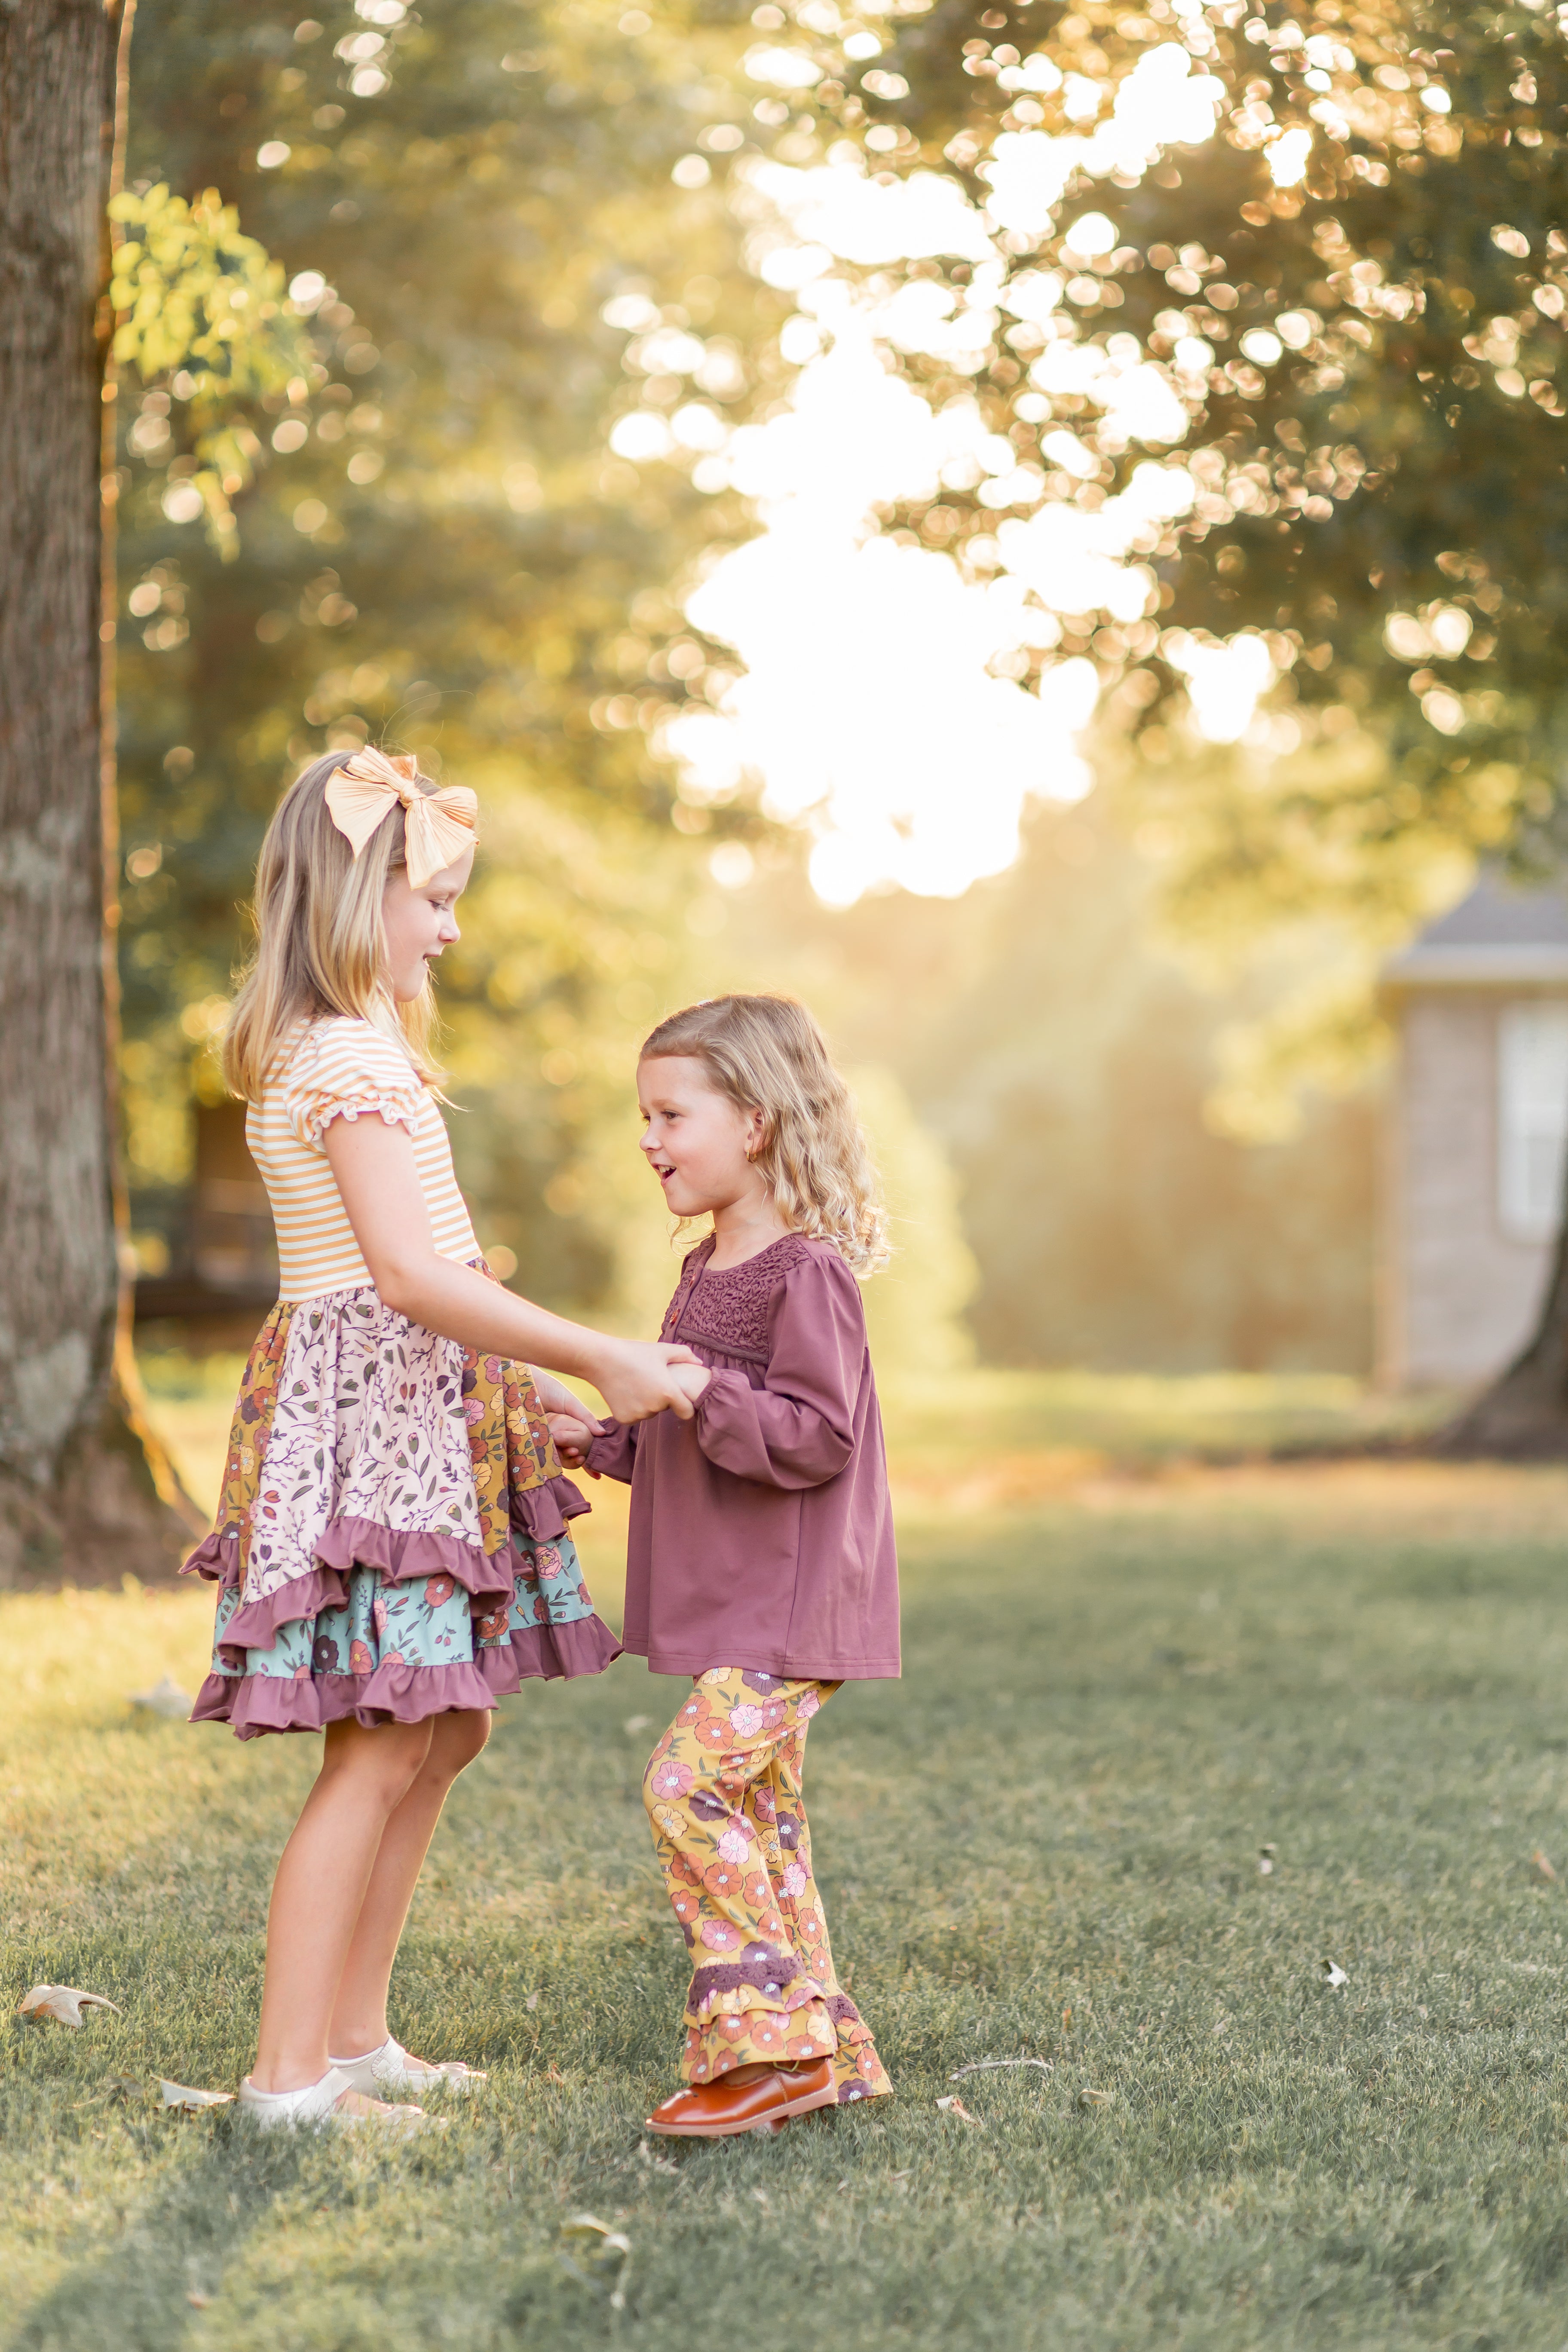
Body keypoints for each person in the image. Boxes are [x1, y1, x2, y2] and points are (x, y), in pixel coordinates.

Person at [186, 746, 698, 2131]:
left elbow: (429, 1276)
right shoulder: (346, 1055)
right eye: (436, 899)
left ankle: (354, 2039)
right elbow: (404, 1278)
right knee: (373, 1744)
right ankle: (287, 2082)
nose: (452, 929)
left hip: (419, 1409)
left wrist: (514, 1393)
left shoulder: (363, 1046)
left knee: (447, 1724)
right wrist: (597, 1351)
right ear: (361, 899)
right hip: (372, 1429)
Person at [548, 994, 899, 2139]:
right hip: (747, 1599)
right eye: (642, 1117)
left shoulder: (808, 1277)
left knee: (687, 1788)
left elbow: (815, 1435)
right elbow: (695, 1440)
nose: (648, 1140)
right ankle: (829, 2052)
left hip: (793, 1607)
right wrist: (597, 1438)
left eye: (670, 1115)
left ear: (754, 1121)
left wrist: (701, 1387)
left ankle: (767, 2052)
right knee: (766, 1819)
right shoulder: (703, 1275)